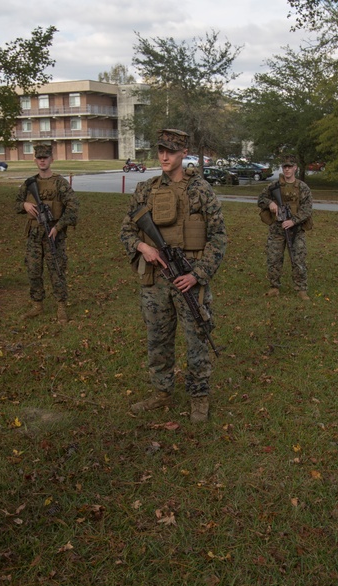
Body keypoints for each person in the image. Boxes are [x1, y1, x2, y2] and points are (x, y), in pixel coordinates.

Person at [119, 129, 228, 423]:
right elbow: (126, 230)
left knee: (196, 340)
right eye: (161, 150)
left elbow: (218, 238)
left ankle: (199, 397)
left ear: (183, 153)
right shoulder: (145, 189)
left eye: (171, 151)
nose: (164, 156)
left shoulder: (201, 190)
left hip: (188, 279)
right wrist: (143, 247)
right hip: (155, 282)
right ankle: (161, 391)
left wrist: (198, 275)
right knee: (158, 339)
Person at [15, 143, 79, 324]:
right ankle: (37, 304)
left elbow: (74, 208)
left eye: (45, 157)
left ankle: (61, 306)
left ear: (51, 159)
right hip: (34, 235)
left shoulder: (60, 183)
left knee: (56, 270)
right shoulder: (29, 183)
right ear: (35, 160)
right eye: (39, 158)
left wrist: (58, 227)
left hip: (53, 235)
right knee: (33, 270)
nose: (42, 160)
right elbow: (16, 204)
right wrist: (25, 205)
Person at [257, 154, 314, 300]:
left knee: (298, 258)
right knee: (274, 258)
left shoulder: (303, 188)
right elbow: (261, 199)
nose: (287, 169)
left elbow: (307, 209)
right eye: (285, 167)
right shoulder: (274, 186)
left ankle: (301, 288)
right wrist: (270, 203)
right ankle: (274, 286)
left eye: (290, 167)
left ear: (295, 168)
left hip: (296, 229)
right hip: (277, 228)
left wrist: (293, 221)